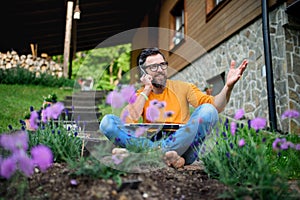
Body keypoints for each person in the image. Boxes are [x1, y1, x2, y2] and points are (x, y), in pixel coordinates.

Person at [99, 47, 248, 168]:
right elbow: (129, 119)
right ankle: (170, 158)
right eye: (153, 67)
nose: (160, 69)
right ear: (144, 72)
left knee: (209, 111)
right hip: (152, 140)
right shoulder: (141, 94)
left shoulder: (183, 87)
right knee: (107, 122)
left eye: (162, 65)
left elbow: (216, 106)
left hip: (185, 146)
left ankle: (148, 155)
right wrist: (146, 89)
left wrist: (228, 87)